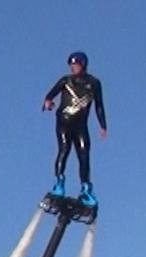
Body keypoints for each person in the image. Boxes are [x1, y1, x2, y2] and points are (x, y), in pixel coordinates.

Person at [41, 51, 107, 206]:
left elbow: (99, 106)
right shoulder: (66, 80)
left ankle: (85, 189)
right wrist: (48, 103)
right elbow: (50, 95)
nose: (73, 68)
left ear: (83, 64)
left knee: (84, 154)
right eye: (71, 65)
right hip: (64, 122)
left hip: (80, 125)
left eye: (75, 65)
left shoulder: (94, 83)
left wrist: (103, 125)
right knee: (64, 149)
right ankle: (59, 183)